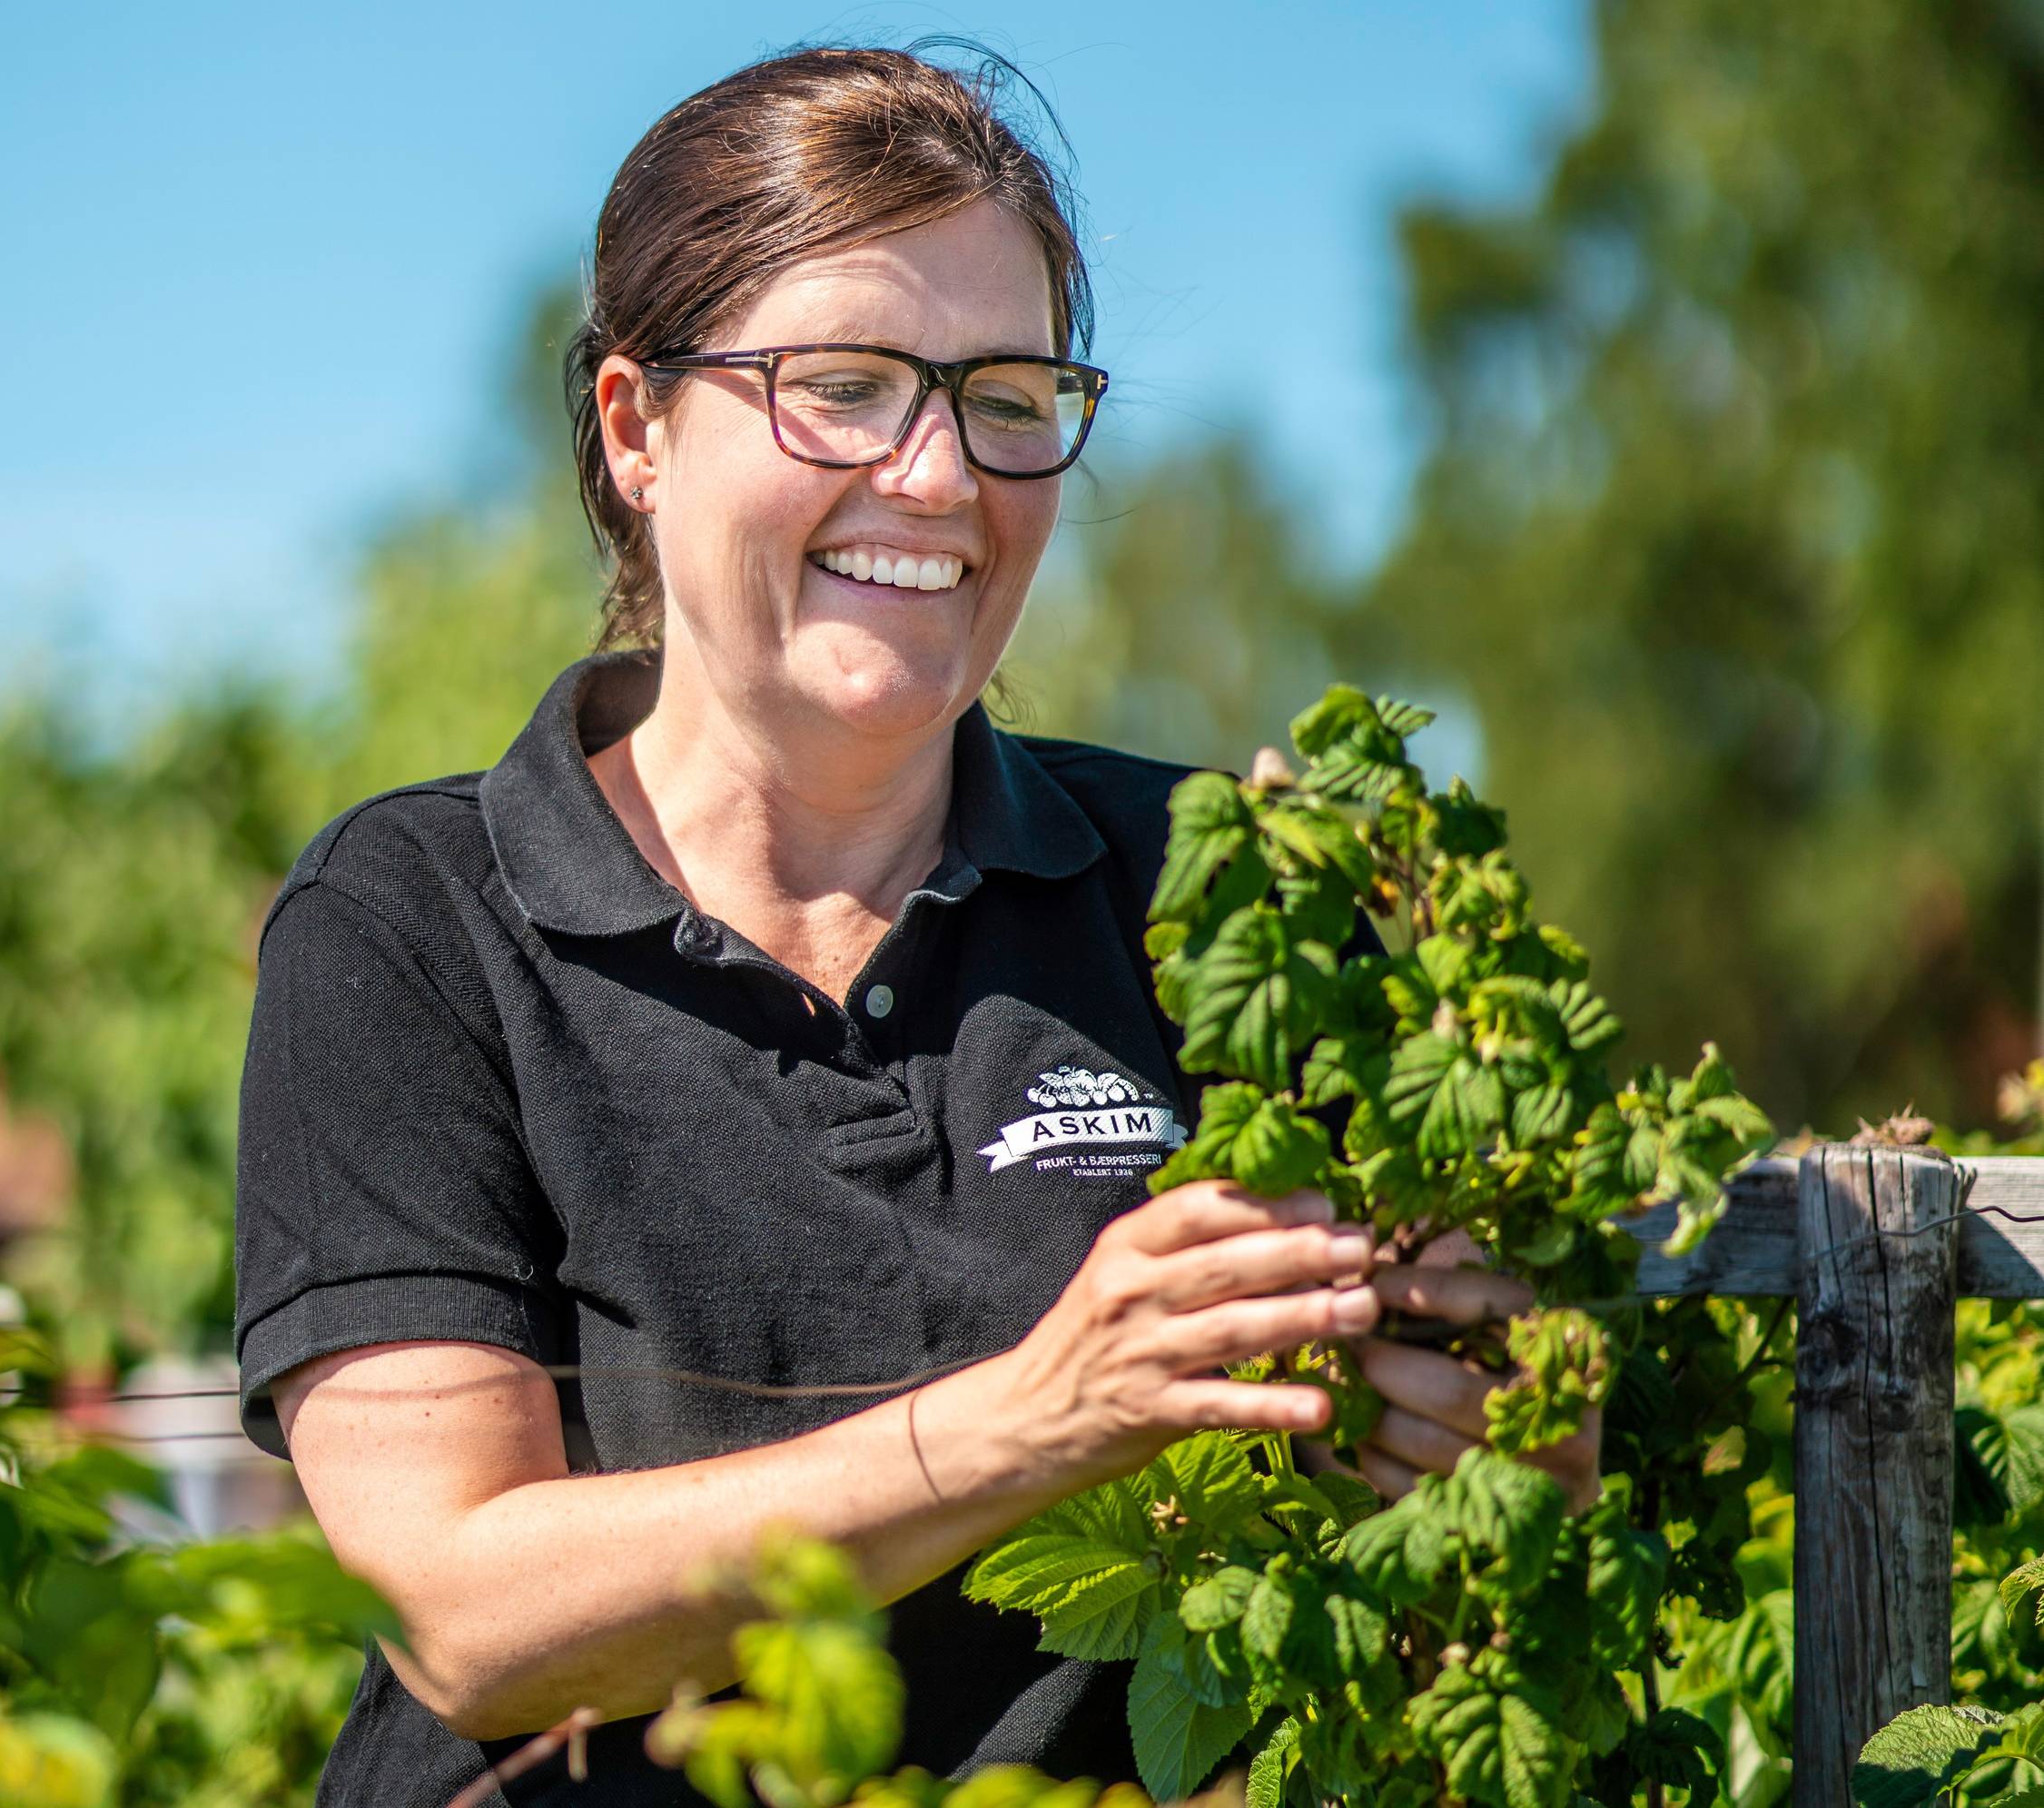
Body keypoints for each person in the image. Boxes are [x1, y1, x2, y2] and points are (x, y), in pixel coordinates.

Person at [232, 42, 1598, 1807]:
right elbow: (463, 1609)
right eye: (848, 386)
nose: (943, 480)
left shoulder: (1216, 883)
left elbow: (1480, 1498)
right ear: (636, 428)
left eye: (1010, 396)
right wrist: (1037, 1419)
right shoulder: (419, 925)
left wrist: (1502, 1441)